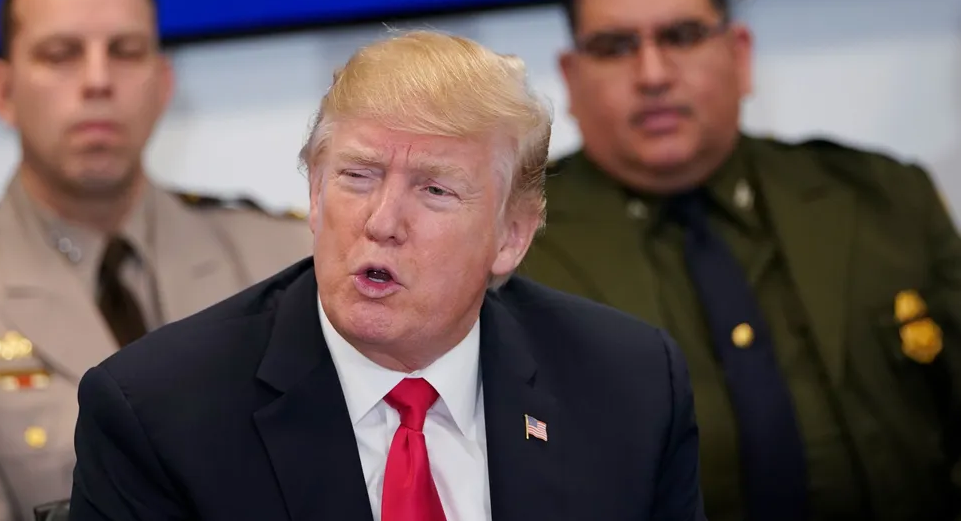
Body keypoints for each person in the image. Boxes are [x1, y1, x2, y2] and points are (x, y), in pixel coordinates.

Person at [66, 30, 705, 520]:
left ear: (511, 235)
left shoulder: (629, 387)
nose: (382, 221)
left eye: (434, 190)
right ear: (315, 195)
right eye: (357, 176)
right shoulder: (158, 415)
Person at [517, 0, 961, 521]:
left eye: (682, 36)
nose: (653, 75)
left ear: (740, 53)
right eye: (615, 47)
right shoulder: (513, 252)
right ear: (571, 77)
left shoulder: (884, 199)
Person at [0, 0, 313, 520]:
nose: (98, 81)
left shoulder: (287, 259)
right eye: (61, 54)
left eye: (125, 52)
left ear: (162, 83)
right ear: (1, 92)